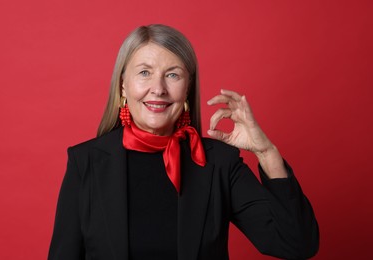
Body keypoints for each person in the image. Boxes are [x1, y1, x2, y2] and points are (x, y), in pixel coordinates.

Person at [48, 24, 319, 260]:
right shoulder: (86, 163)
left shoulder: (218, 162)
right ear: (123, 85)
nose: (158, 88)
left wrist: (266, 152)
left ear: (187, 87)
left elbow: (297, 245)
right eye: (144, 72)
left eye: (173, 74)